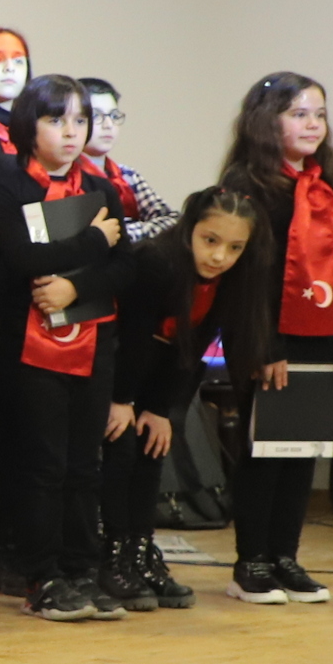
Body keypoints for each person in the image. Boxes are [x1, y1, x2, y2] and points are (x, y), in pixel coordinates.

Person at [0, 74, 127, 622]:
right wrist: (91, 242)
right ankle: (41, 577)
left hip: (93, 341)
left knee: (84, 465)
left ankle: (81, 569)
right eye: (55, 120)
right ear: (27, 125)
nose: (71, 132)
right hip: (29, 347)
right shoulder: (9, 185)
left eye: (80, 121)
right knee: (41, 464)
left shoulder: (101, 188)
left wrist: (74, 287)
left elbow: (124, 266)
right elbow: (22, 258)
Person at [220, 73, 333, 604]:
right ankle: (251, 563)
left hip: (321, 339)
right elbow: (246, 277)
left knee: (303, 451)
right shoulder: (245, 185)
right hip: (267, 341)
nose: (313, 124)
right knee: (265, 451)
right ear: (267, 121)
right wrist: (265, 347)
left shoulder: (325, 188)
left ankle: (285, 556)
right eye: (299, 114)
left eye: (319, 115)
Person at [106, 186, 265, 610]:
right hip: (117, 365)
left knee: (151, 450)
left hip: (163, 367)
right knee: (118, 453)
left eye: (234, 248)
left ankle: (140, 551)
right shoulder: (155, 262)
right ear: (190, 229)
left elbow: (192, 350)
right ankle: (111, 556)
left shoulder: (232, 281)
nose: (219, 257)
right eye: (210, 241)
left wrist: (161, 410)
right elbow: (132, 338)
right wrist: (122, 399)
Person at [78, 76, 176, 243]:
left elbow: (171, 220)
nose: (108, 124)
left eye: (114, 115)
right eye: (96, 116)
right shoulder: (67, 178)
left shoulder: (127, 175)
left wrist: (122, 233)